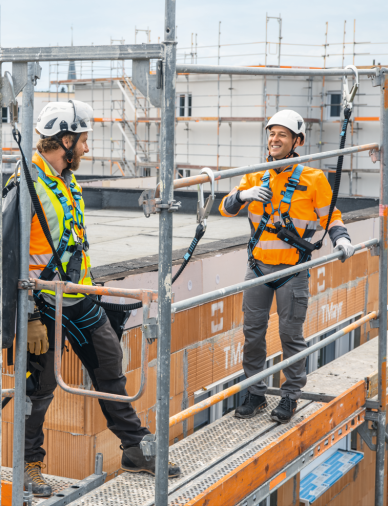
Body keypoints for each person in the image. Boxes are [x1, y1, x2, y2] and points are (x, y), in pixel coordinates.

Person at [18, 100, 181, 496]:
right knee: (39, 390)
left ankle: (134, 448)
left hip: (78, 297)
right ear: (66, 140)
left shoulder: (64, 180)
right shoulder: (25, 186)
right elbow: (10, 256)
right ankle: (29, 466)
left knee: (110, 367)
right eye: (84, 141)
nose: (88, 149)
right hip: (42, 304)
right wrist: (29, 318)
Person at [219, 109, 355, 424]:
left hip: (292, 272)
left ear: (297, 140)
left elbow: (330, 217)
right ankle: (255, 392)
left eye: (282, 134)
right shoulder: (255, 175)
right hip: (258, 270)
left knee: (290, 335)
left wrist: (342, 239)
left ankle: (291, 396)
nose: (274, 139)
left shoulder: (314, 179)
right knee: (252, 334)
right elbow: (226, 208)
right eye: (271, 133)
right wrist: (243, 194)